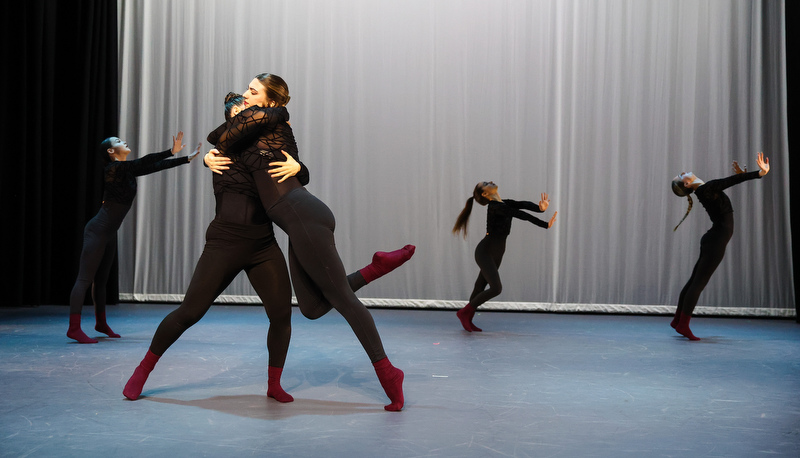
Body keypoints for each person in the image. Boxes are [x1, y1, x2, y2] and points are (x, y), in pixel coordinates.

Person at [123, 93, 411, 404]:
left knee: (286, 314)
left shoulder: (262, 147)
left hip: (263, 243)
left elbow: (296, 176)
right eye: (241, 112)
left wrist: (298, 166)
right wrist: (207, 155)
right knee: (189, 312)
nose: (248, 115)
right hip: (225, 241)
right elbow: (228, 142)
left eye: (250, 110)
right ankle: (142, 369)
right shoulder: (222, 152)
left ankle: (274, 384)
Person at [212, 75, 411, 411]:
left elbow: (221, 136)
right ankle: (375, 268)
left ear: (271, 102)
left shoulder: (271, 120)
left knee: (346, 303)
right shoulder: (258, 128)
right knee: (313, 308)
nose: (245, 95)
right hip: (299, 221)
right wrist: (209, 157)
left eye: (253, 91)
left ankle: (389, 373)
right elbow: (223, 141)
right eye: (246, 89)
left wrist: (290, 153)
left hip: (304, 215)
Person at [68, 133, 200, 344]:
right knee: (85, 279)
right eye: (118, 142)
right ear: (111, 151)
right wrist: (170, 151)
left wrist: (185, 158)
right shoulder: (114, 169)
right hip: (98, 230)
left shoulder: (126, 172)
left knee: (101, 282)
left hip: (109, 232)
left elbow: (153, 166)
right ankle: (74, 328)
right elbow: (145, 161)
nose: (124, 142)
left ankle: (100, 324)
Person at [669, 152, 770, 340]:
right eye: (681, 175)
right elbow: (729, 181)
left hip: (713, 239)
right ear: (686, 184)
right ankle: (682, 324)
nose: (683, 172)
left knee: (694, 281)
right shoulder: (707, 188)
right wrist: (759, 174)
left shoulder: (706, 189)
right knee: (698, 283)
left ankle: (677, 321)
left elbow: (729, 181)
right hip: (715, 240)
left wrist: (743, 174)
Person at [451, 181, 556, 332]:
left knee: (480, 286)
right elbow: (522, 215)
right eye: (486, 184)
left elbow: (522, 205)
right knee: (496, 288)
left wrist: (540, 208)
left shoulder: (504, 203)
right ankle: (464, 313)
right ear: (485, 194)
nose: (490, 182)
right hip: (485, 251)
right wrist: (545, 224)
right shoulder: (495, 207)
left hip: (497, 251)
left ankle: (467, 317)